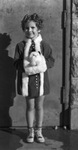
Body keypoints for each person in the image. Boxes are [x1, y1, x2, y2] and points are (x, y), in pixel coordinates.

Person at [14, 13, 55, 143]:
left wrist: (42, 63)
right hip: (27, 81)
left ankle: (39, 131)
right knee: (30, 106)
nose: (29, 30)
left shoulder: (44, 45)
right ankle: (30, 131)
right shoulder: (20, 46)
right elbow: (16, 63)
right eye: (26, 28)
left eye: (32, 27)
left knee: (39, 106)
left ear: (38, 29)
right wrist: (26, 64)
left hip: (41, 81)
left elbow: (51, 60)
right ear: (23, 29)